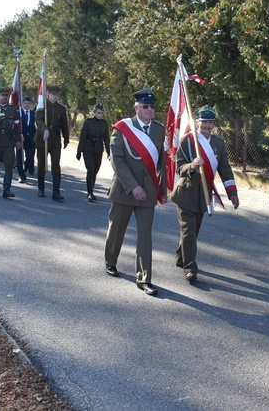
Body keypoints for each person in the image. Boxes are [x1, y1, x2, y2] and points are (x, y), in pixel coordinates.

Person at [103, 89, 167, 296]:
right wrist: (133, 186)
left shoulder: (159, 130)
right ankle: (111, 260)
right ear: (136, 107)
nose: (150, 110)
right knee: (117, 229)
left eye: (152, 107)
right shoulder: (123, 128)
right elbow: (117, 160)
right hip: (124, 189)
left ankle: (144, 278)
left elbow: (162, 164)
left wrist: (162, 190)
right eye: (145, 106)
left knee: (145, 236)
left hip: (148, 191)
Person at [170, 105, 239, 282]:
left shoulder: (218, 143)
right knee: (188, 231)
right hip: (186, 193)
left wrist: (232, 193)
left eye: (210, 122)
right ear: (197, 122)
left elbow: (225, 169)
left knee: (192, 232)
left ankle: (181, 257)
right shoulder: (188, 141)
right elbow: (179, 167)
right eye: (204, 122)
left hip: (204, 195)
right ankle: (190, 268)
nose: (207, 125)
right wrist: (192, 166)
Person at [35, 86, 70, 200]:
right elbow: (38, 120)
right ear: (48, 94)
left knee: (56, 165)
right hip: (43, 139)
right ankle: (41, 188)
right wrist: (44, 129)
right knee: (41, 165)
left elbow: (64, 124)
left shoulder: (61, 108)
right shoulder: (41, 105)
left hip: (55, 140)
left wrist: (66, 138)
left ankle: (56, 192)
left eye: (57, 94)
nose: (55, 96)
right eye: (53, 94)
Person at [76, 104, 111, 201]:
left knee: (95, 170)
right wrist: (79, 151)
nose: (100, 115)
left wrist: (109, 152)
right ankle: (89, 193)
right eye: (98, 113)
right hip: (88, 148)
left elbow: (106, 139)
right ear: (94, 113)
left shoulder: (104, 123)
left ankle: (92, 189)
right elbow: (82, 137)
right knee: (90, 170)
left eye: (101, 113)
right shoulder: (88, 122)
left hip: (98, 149)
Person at [16, 96, 37, 182]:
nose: (27, 105)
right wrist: (19, 135)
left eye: (28, 103)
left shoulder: (33, 114)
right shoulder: (18, 113)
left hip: (30, 138)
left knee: (30, 156)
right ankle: (21, 175)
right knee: (19, 157)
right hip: (20, 138)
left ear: (31, 104)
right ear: (22, 103)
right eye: (25, 103)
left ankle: (26, 167)